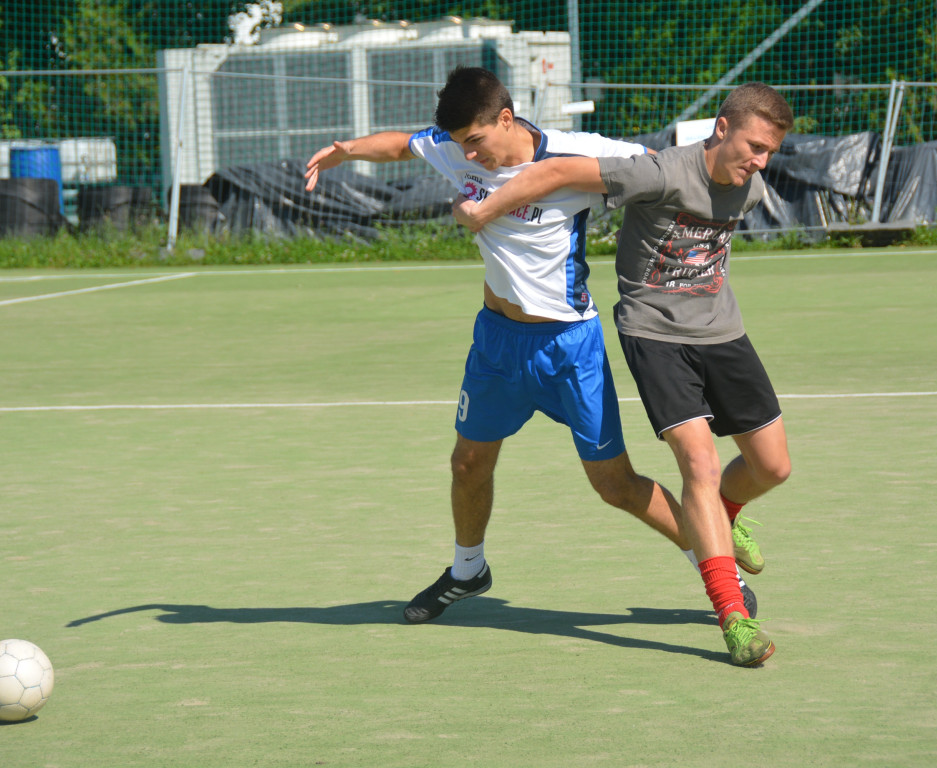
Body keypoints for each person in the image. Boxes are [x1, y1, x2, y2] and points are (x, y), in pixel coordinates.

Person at [305, 67, 760, 662]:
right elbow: (401, 144)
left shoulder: (582, 154)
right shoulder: (459, 148)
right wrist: (344, 150)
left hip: (570, 349)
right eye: (461, 144)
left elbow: (664, 165)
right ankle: (469, 570)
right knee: (467, 463)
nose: (469, 155)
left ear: (505, 118)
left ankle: (716, 563)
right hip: (495, 344)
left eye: (477, 141)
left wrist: (724, 170)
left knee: (616, 486)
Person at [451, 81, 795, 666]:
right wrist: (485, 208)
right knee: (700, 467)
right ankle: (732, 618)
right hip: (654, 334)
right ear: (722, 127)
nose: (761, 162)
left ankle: (723, 518)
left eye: (770, 152)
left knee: (773, 466)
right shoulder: (657, 173)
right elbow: (557, 174)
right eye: (755, 146)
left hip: (722, 332)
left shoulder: (751, 186)